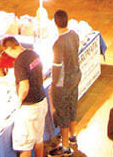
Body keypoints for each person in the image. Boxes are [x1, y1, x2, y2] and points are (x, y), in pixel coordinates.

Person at [2, 35, 47, 157]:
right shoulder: (33, 54)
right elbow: (42, 76)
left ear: (10, 49)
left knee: (24, 144)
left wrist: (18, 102)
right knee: (38, 139)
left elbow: (24, 87)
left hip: (29, 107)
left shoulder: (19, 63)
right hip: (41, 100)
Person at [49, 10, 80, 157]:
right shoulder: (74, 35)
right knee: (73, 106)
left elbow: (57, 68)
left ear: (55, 23)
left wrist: (54, 85)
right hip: (75, 77)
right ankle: (73, 136)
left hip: (63, 83)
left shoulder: (58, 44)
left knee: (63, 113)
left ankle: (65, 146)